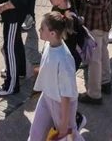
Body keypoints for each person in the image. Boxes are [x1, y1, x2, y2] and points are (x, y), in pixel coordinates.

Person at [28, 12, 84, 141]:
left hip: (61, 105)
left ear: (52, 33)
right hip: (47, 97)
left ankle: (74, 123)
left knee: (69, 137)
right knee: (35, 134)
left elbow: (66, 95)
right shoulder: (49, 44)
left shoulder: (64, 59)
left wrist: (64, 123)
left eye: (42, 29)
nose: (39, 30)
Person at [74, 0, 112, 105]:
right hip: (104, 21)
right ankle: (105, 81)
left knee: (94, 59)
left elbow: (100, 3)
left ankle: (94, 93)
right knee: (103, 51)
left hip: (95, 22)